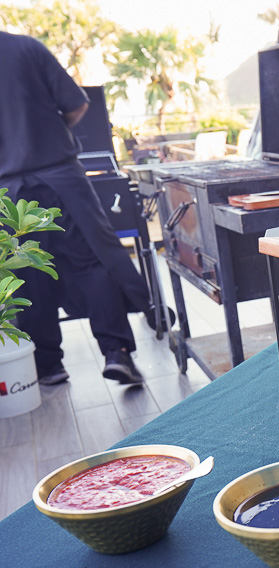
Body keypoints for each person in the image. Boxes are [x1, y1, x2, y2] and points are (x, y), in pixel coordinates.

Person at [0, 30, 163, 386]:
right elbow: (77, 105)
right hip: (61, 178)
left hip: (6, 192)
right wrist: (51, 134)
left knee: (27, 276)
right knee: (92, 264)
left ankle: (47, 365)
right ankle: (116, 352)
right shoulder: (27, 48)